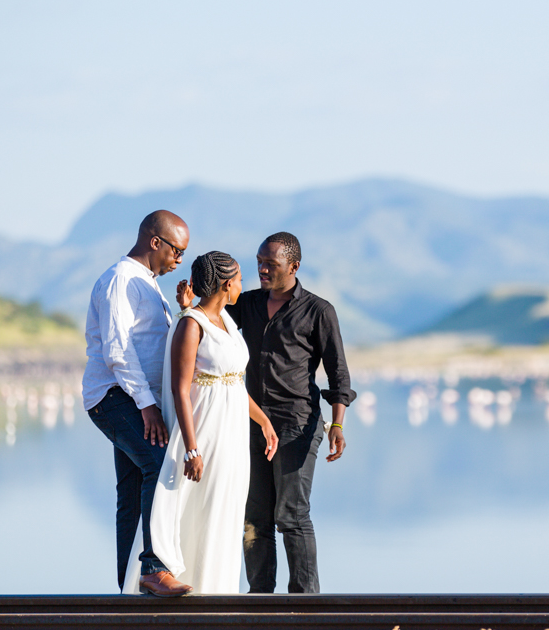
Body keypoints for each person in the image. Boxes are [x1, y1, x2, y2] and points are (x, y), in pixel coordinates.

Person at [180, 231, 355, 593]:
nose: (261, 269)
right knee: (254, 519)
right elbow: (211, 324)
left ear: (294, 266)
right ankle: (261, 599)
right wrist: (189, 305)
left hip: (298, 424)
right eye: (259, 262)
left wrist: (338, 422)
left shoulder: (319, 311)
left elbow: (338, 374)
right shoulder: (248, 303)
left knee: (291, 515)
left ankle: (305, 602)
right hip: (248, 424)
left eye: (270, 264)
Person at [121, 251, 279, 595]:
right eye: (238, 280)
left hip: (232, 434)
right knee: (198, 506)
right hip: (204, 432)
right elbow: (180, 389)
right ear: (226, 284)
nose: (242, 286)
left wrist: (263, 420)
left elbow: (233, 382)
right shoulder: (192, 323)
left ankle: (217, 593)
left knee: (225, 509)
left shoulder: (227, 321)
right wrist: (192, 449)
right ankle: (179, 591)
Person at [82, 210, 193, 597]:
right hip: (116, 397)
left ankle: (127, 586)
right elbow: (118, 352)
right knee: (158, 466)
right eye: (177, 251)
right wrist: (148, 407)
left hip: (133, 398)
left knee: (130, 490)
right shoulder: (120, 280)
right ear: (155, 242)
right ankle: (154, 568)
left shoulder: (147, 283)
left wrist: (181, 309)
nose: (179, 260)